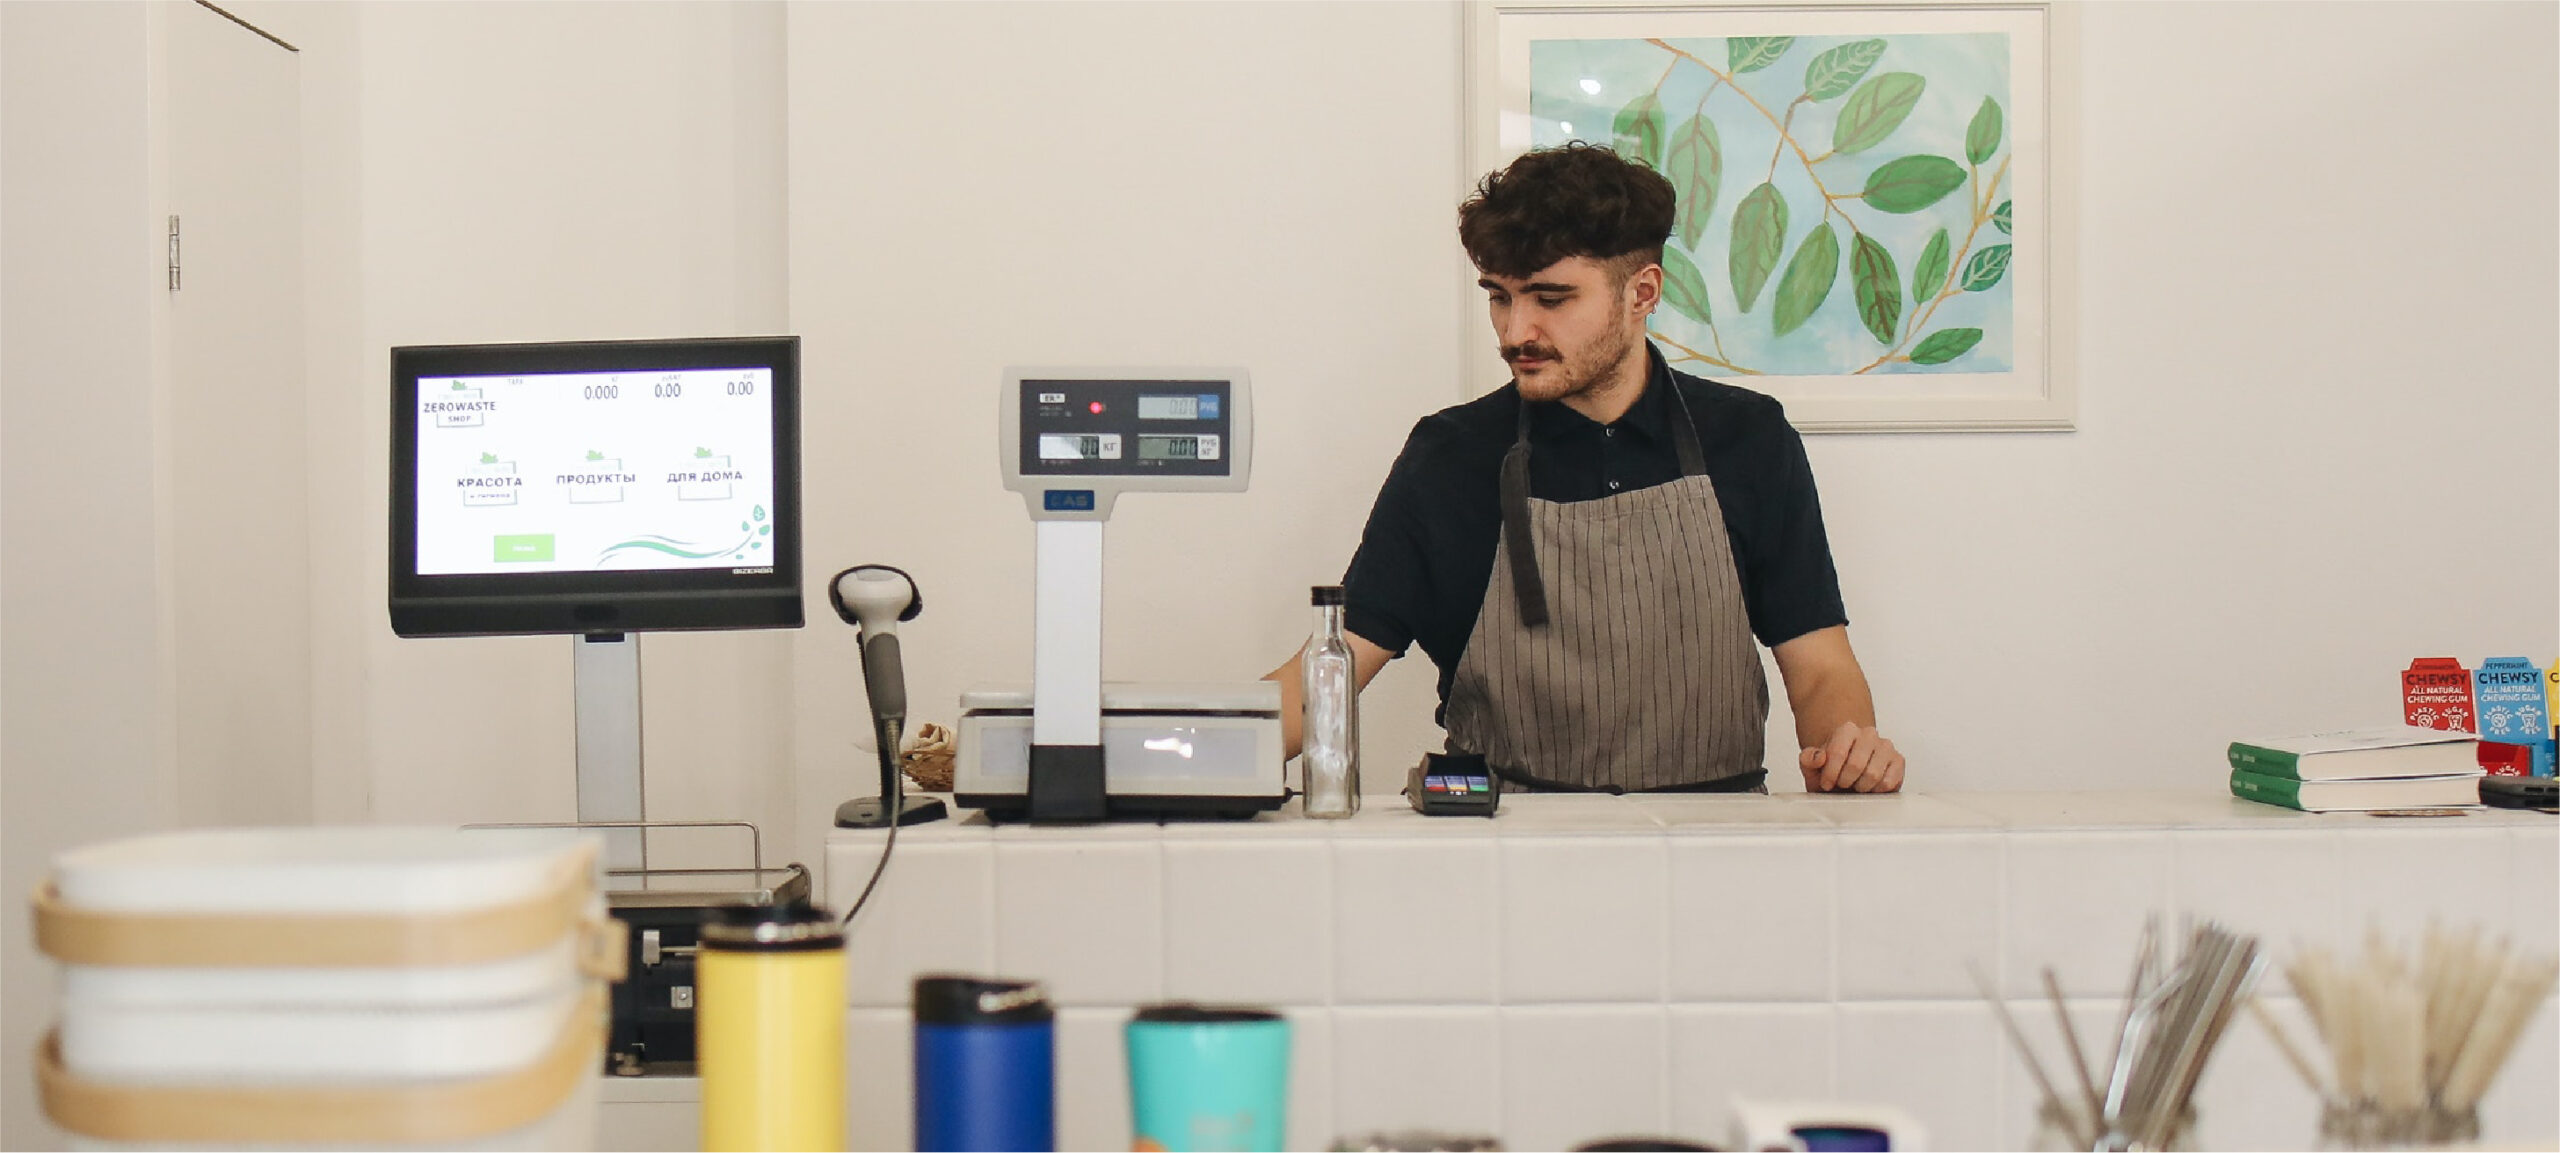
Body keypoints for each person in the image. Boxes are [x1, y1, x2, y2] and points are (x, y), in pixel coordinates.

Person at [1267, 141, 1904, 794]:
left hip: (1717, 837)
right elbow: (1333, 667)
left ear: (1642, 293)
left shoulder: (1749, 439)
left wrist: (1847, 753)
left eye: (1551, 298)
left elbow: (1820, 666)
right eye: (1500, 297)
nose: (1515, 331)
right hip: (1502, 840)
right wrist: (1211, 749)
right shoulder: (1449, 457)